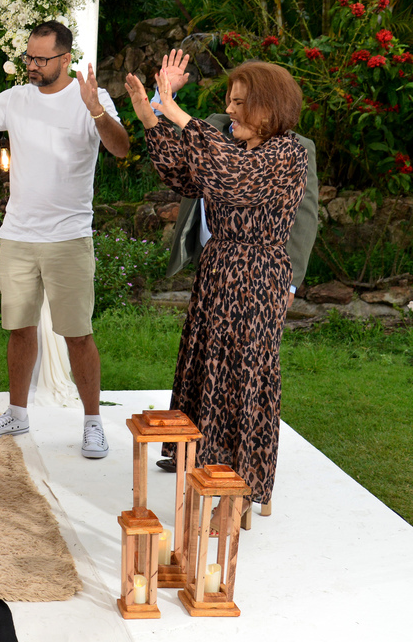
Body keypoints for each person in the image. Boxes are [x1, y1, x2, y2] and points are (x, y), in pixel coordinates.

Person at [0, 21, 130, 459]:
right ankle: (17, 411)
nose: (31, 65)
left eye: (40, 59)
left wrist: (96, 111)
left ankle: (92, 422)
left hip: (70, 236)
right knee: (19, 329)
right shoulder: (16, 99)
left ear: (65, 59)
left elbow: (122, 147)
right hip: (17, 234)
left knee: (77, 334)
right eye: (29, 57)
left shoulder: (91, 98)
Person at [124, 60, 308, 516]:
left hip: (257, 277)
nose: (229, 110)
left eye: (240, 103)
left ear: (270, 107)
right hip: (218, 273)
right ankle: (205, 477)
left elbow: (236, 180)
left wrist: (179, 113)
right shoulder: (231, 146)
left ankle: (238, 492)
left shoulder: (286, 152)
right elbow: (185, 174)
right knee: (208, 373)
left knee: (243, 380)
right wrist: (152, 116)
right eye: (230, 101)